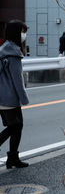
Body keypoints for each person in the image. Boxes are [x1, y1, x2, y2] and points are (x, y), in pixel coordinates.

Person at [0, 20, 29, 169]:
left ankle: (12, 159)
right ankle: (13, 158)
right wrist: (24, 99)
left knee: (14, 126)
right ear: (16, 33)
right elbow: (18, 80)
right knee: (16, 126)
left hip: (1, 97)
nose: (24, 35)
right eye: (22, 31)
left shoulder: (3, 49)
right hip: (9, 98)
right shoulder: (13, 53)